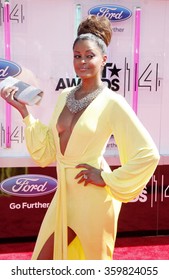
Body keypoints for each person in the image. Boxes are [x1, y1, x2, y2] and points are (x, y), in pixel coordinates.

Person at [0, 15, 159, 260]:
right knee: (40, 263)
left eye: (89, 55)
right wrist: (24, 112)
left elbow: (148, 153)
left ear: (104, 59)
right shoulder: (64, 96)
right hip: (64, 195)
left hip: (92, 198)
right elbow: (49, 148)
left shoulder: (113, 102)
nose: (82, 61)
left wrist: (106, 177)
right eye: (77, 55)